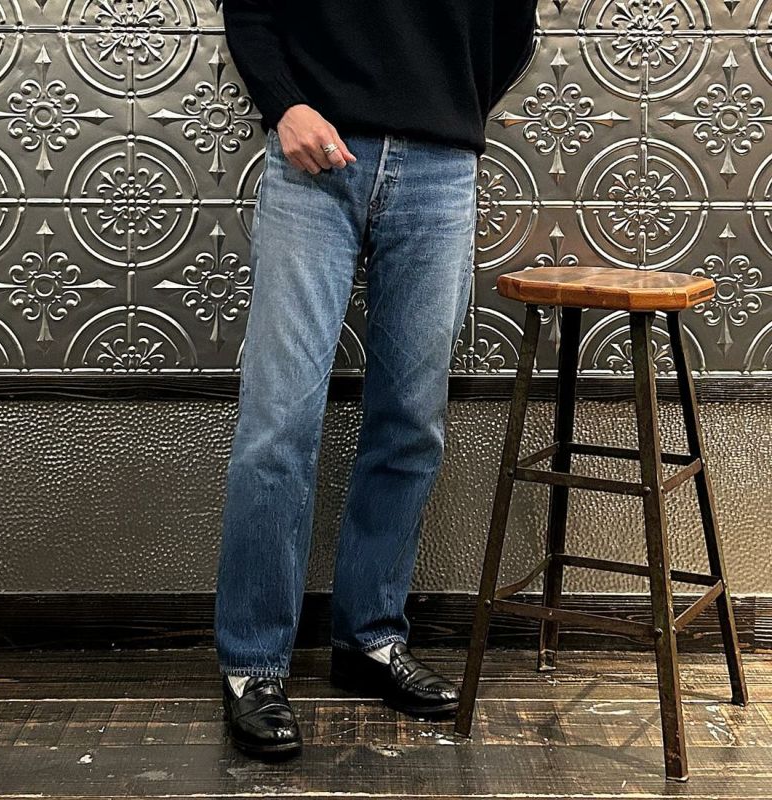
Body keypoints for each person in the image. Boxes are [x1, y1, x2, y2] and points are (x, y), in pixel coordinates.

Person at [215, 0, 539, 759]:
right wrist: (285, 103)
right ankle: (253, 663)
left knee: (411, 421)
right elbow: (252, 7)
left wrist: (446, 109)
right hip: (313, 157)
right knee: (278, 422)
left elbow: (512, 29)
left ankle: (369, 640)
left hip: (442, 167)